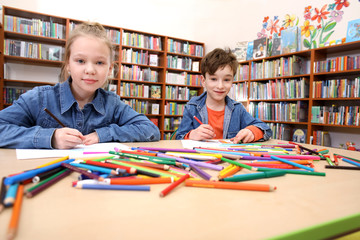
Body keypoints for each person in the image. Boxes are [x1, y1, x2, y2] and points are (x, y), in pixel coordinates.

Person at [0, 22, 160, 149]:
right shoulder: (40, 98)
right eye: (80, 61)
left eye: (99, 62)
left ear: (110, 69)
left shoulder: (113, 104)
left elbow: (150, 130)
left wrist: (103, 134)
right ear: (68, 64)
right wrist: (51, 137)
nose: (90, 70)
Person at [176, 48, 272, 143]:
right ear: (203, 81)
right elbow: (179, 137)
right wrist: (192, 135)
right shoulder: (192, 107)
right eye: (213, 79)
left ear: (232, 81)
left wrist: (252, 131)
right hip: (200, 156)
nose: (220, 86)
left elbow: (265, 129)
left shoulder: (237, 109)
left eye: (226, 80)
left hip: (229, 157)